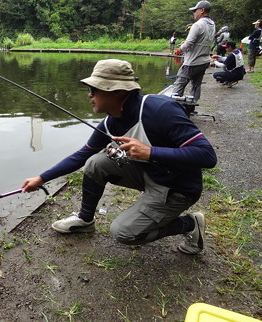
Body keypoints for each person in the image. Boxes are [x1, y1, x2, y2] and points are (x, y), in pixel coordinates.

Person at [21, 59, 217, 255]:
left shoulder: (161, 110)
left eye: (94, 89)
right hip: (150, 175)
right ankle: (85, 219)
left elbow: (207, 156)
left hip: (177, 188)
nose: (90, 95)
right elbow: (81, 155)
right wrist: (41, 178)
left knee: (124, 233)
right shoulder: (109, 123)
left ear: (116, 91)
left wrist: (150, 152)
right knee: (94, 163)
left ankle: (190, 224)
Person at [171, 0, 215, 102]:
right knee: (196, 85)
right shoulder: (212, 24)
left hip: (192, 63)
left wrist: (180, 49)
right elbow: (201, 40)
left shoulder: (197, 25)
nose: (193, 13)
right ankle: (191, 108)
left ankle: (174, 108)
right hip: (204, 61)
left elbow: (188, 44)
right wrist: (186, 43)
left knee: (179, 84)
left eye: (195, 11)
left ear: (202, 10)